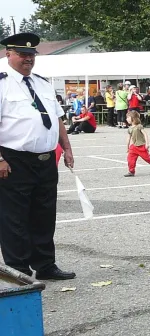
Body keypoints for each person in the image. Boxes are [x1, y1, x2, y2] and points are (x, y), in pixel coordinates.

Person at [0, 32, 76, 281]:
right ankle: (18, 270)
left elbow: (57, 118)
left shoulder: (42, 83)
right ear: (8, 54)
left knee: (44, 214)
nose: (28, 59)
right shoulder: (2, 84)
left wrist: (66, 147)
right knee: (14, 218)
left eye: (32, 54)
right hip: (14, 160)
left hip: (45, 159)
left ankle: (45, 265)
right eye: (22, 54)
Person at [124, 110, 150, 177]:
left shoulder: (139, 126)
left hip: (141, 146)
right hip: (133, 147)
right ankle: (131, 171)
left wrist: (147, 144)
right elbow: (128, 138)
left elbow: (145, 134)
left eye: (128, 117)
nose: (126, 119)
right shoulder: (130, 128)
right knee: (130, 159)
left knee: (148, 159)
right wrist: (127, 147)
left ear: (133, 118)